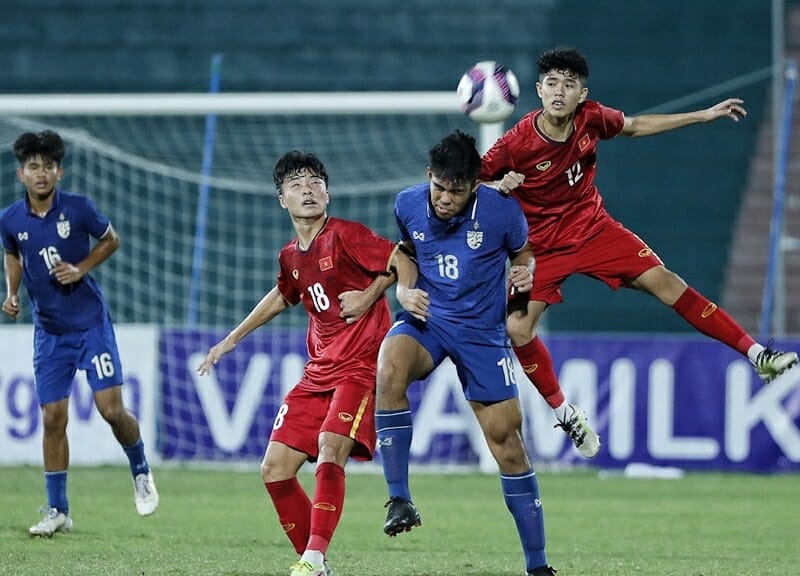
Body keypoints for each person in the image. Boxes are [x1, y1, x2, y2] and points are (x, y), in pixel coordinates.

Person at [481, 46, 799, 446]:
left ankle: (758, 356)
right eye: (551, 83)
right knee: (517, 327)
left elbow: (634, 125)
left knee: (667, 282)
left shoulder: (591, 117)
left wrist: (702, 115)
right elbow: (471, 184)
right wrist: (497, 184)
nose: (560, 91)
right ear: (539, 90)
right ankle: (567, 414)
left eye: (569, 84)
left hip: (594, 229)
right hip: (542, 247)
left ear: (582, 93)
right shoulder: (515, 144)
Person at [197, 151, 413, 576]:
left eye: (315, 182)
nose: (308, 190)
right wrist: (231, 339)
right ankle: (316, 565)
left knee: (330, 448)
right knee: (274, 469)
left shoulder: (346, 235)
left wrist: (370, 297)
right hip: (318, 373)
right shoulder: (291, 257)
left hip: (359, 368)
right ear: (282, 200)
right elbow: (283, 294)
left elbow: (402, 258)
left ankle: (312, 557)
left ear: (328, 192)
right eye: (296, 185)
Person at [376, 130, 556, 576]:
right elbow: (405, 251)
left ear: (475, 186)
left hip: (481, 333)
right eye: (438, 187)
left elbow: (526, 254)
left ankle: (538, 567)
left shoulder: (502, 213)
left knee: (508, 444)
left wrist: (522, 272)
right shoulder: (407, 203)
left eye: (455, 191)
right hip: (430, 320)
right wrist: (404, 285)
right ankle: (399, 497)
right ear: (428, 177)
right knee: (389, 367)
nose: (443, 199)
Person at [0, 130, 159, 537]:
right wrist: (12, 292)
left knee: (110, 410)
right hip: (50, 333)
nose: (41, 173)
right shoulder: (10, 220)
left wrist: (81, 268)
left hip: (90, 325)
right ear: (21, 174)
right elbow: (13, 252)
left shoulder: (79, 209)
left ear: (59, 172)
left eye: (48, 167)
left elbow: (111, 239)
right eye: (33, 167)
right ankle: (58, 510)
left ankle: (140, 467)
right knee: (53, 417)